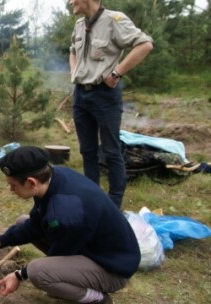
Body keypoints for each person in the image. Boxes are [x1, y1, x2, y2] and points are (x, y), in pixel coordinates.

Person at [0, 146, 141, 304]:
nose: (11, 190)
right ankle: (65, 281)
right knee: (23, 222)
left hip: (112, 268)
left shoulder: (64, 214)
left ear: (31, 182)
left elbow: (61, 253)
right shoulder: (53, 178)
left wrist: (19, 274)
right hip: (91, 246)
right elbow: (35, 225)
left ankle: (98, 299)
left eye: (13, 185)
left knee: (38, 273)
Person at [69, 0, 153, 207]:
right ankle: (92, 199)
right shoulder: (80, 24)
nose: (70, 2)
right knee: (87, 151)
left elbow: (145, 44)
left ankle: (114, 204)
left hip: (104, 96)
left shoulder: (114, 20)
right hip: (81, 95)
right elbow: (72, 50)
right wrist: (74, 72)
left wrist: (117, 72)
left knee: (111, 150)